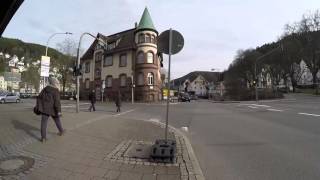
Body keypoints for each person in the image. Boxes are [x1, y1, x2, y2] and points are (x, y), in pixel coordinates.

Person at [36, 77, 64, 143]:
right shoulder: (55, 90)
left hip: (45, 109)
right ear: (54, 83)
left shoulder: (45, 89)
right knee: (57, 120)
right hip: (53, 109)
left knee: (43, 123)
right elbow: (57, 102)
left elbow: (39, 97)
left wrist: (40, 106)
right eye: (57, 82)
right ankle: (61, 131)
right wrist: (59, 111)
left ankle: (43, 138)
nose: (57, 84)